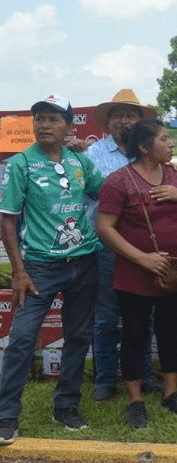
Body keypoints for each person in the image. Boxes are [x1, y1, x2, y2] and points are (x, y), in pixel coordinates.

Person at [0, 95, 106, 444]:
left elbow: (104, 191)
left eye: (53, 119)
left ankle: (66, 407)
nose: (44, 125)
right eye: (39, 119)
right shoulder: (20, 165)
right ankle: (5, 414)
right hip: (39, 269)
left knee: (77, 337)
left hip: (85, 262)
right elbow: (7, 220)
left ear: (68, 127)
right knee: (22, 340)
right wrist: (18, 271)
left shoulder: (79, 160)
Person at [95, 119, 177, 429]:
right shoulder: (119, 181)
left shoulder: (174, 176)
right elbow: (104, 228)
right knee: (135, 334)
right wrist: (143, 258)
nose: (171, 144)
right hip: (134, 272)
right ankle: (135, 400)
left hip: (174, 271)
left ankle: (171, 394)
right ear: (143, 146)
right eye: (165, 139)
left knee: (169, 331)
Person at [83, 89, 161, 402]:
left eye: (131, 115)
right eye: (118, 115)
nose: (124, 120)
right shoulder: (92, 155)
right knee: (105, 317)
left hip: (145, 245)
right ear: (109, 123)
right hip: (106, 246)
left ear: (141, 122)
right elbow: (88, 193)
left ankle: (141, 376)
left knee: (142, 315)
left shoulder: (150, 153)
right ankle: (105, 380)